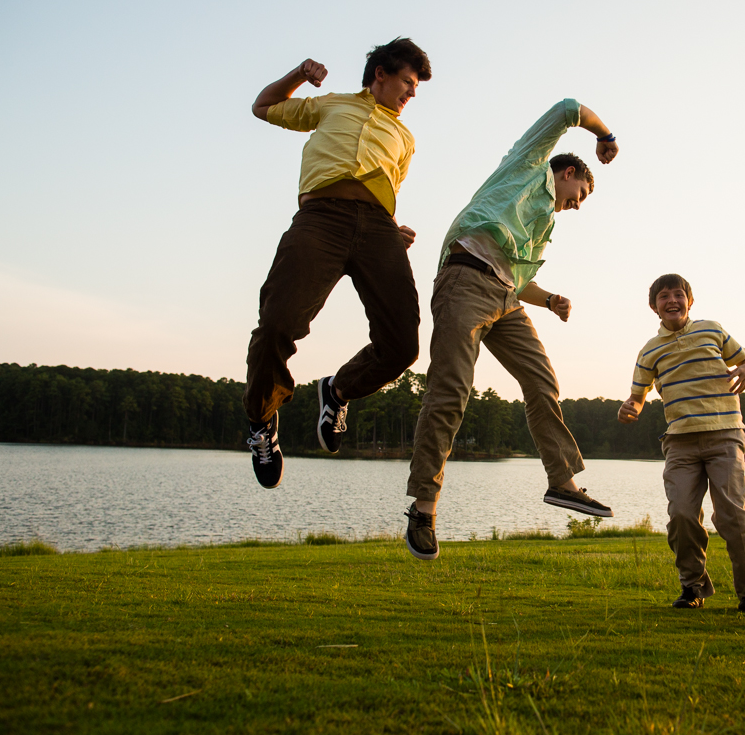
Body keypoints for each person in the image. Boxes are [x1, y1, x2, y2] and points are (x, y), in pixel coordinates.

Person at [403, 99, 619, 560]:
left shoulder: (543, 227)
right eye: (580, 194)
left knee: (543, 382)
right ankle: (424, 509)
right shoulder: (528, 166)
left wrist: (550, 299)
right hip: (466, 279)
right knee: (451, 391)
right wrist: (605, 136)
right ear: (567, 173)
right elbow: (568, 109)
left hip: (505, 298)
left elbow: (519, 282)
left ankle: (562, 482)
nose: (576, 205)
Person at [244, 38, 432, 488]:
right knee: (277, 323)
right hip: (321, 220)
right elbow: (262, 106)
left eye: (416, 88)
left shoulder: (405, 138)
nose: (412, 93)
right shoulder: (331, 105)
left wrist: (391, 230)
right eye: (408, 82)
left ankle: (338, 389)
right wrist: (298, 74)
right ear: (381, 74)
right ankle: (262, 421)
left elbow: (387, 186)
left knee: (402, 346)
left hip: (379, 231)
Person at [619, 274, 745, 612]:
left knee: (732, 517)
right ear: (654, 307)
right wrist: (630, 408)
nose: (672, 300)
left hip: (725, 434)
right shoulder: (649, 350)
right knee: (682, 515)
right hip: (680, 441)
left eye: (678, 294)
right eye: (664, 296)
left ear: (690, 301)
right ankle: (692, 587)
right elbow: (637, 396)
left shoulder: (712, 330)